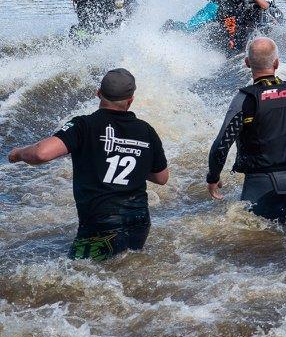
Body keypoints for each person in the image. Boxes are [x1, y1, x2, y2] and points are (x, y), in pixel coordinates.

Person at [7, 69, 169, 260]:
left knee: (73, 281)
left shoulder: (84, 125)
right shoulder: (146, 130)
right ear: (131, 100)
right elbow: (161, 177)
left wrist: (17, 154)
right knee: (121, 272)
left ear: (98, 93)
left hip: (101, 225)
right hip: (139, 221)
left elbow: (41, 153)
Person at [207, 38, 286, 223]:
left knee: (256, 244)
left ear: (247, 63)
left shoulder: (245, 99)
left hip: (260, 184)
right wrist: (285, 138)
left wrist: (212, 178)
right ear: (277, 63)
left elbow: (221, 146)